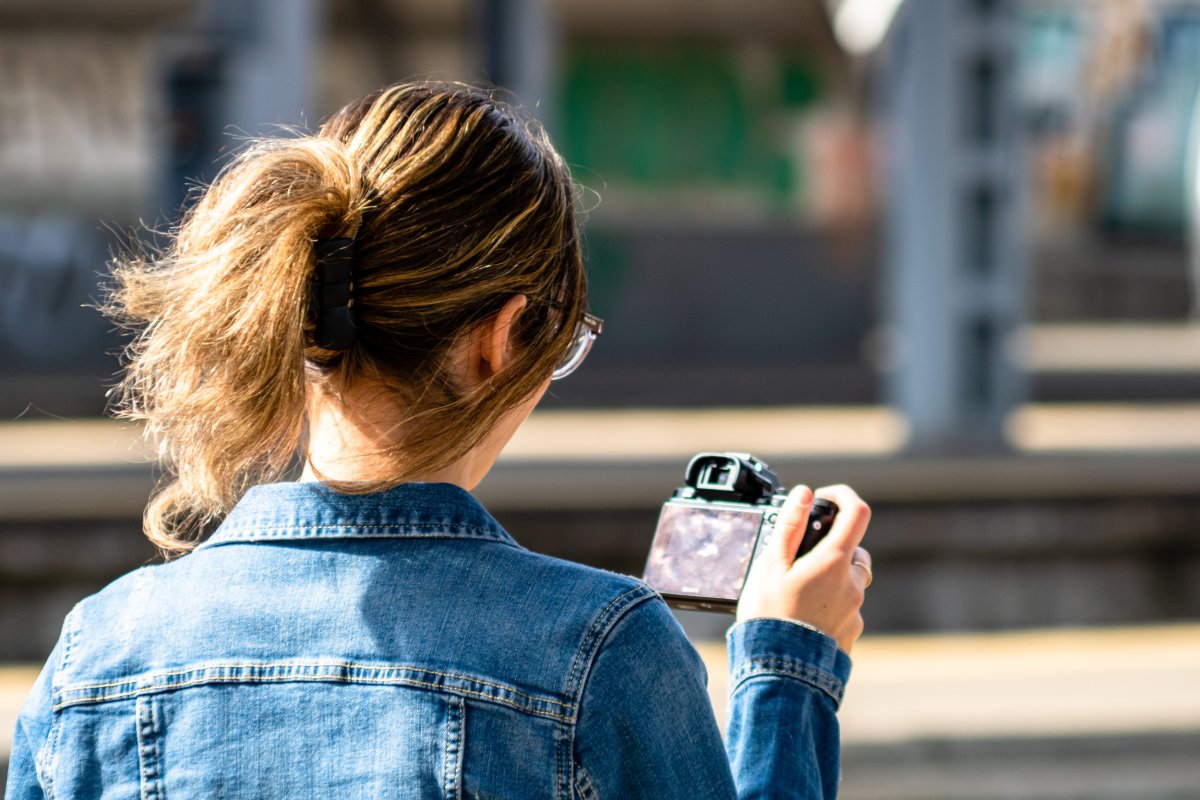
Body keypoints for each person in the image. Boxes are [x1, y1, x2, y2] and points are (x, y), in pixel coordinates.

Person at [5, 82, 872, 800]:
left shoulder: (99, 655)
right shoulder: (603, 656)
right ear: (501, 340)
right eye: (564, 343)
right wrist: (787, 664)